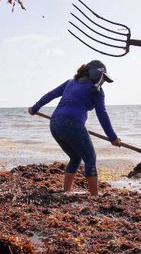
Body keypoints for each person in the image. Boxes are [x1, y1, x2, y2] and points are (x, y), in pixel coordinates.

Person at [28, 60, 122, 197]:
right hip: (73, 124)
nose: (102, 83)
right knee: (90, 157)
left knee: (75, 157)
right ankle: (95, 196)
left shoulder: (70, 82)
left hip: (55, 124)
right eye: (103, 79)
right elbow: (102, 114)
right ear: (96, 75)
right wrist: (113, 137)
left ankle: (66, 192)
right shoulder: (97, 92)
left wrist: (34, 108)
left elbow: (50, 95)